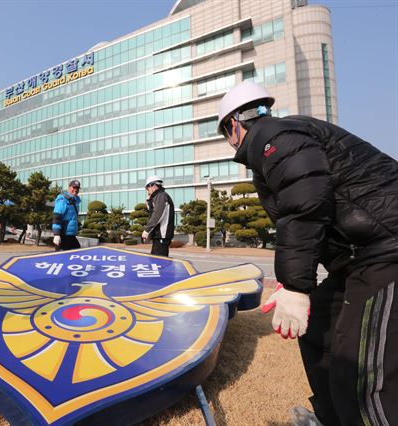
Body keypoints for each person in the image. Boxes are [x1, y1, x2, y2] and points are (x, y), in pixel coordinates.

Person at [217, 81, 398, 425]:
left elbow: (306, 202)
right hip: (358, 258)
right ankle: (333, 417)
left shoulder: (273, 137)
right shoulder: (279, 138)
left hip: (386, 251)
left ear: (233, 127)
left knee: (361, 371)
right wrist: (294, 284)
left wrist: (297, 285)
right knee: (316, 330)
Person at [141, 176, 175, 257]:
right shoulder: (158, 196)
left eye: (147, 188)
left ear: (153, 185)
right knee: (155, 261)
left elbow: (157, 215)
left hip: (162, 235)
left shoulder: (161, 196)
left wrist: (147, 230)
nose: (147, 190)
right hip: (159, 235)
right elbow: (153, 212)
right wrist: (149, 200)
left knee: (160, 262)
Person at [52, 179, 81, 251]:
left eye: (77, 188)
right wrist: (56, 235)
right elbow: (57, 217)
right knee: (62, 259)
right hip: (62, 236)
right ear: (69, 187)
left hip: (71, 236)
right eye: (74, 187)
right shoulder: (63, 200)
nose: (75, 190)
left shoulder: (75, 201)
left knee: (78, 253)